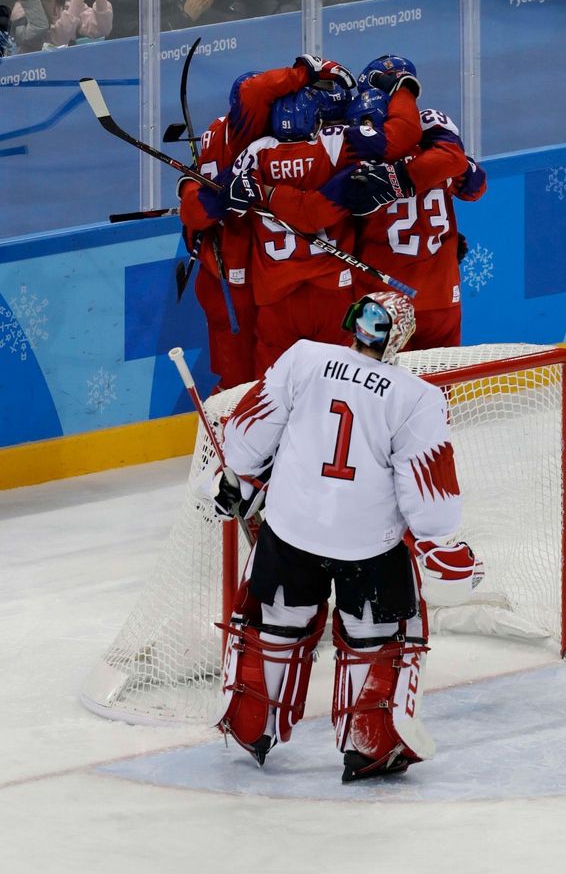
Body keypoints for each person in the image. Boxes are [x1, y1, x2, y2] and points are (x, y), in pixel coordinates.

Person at [200, 291, 477, 781]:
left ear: (355, 323)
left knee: (275, 625)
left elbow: (251, 429)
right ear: (401, 338)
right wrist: (441, 540)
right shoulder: (417, 397)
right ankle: (370, 744)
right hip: (367, 545)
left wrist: (236, 479)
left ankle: (251, 722)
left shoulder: (305, 356)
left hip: (289, 531)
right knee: (375, 638)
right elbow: (426, 491)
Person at [203, 66, 422, 376]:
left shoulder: (255, 153)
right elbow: (385, 147)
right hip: (332, 289)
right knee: (340, 380)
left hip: (275, 297)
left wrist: (247, 192)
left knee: (271, 388)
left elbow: (226, 195)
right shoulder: (334, 142)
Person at [178, 55, 357, 391]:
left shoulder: (247, 148)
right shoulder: (258, 140)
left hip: (249, 283)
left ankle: (242, 437)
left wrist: (193, 189)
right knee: (244, 385)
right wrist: (307, 71)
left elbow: (194, 205)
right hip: (232, 283)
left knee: (258, 387)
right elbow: (196, 208)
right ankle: (233, 440)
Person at [343, 55, 487, 348]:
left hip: (379, 299)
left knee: (372, 387)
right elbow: (475, 185)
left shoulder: (355, 161)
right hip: (440, 293)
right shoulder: (439, 155)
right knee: (439, 385)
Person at [4, 0, 112, 53]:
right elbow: (52, 46)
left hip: (64, 70)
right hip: (34, 76)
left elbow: (101, 29)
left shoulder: (68, 5)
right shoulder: (21, 9)